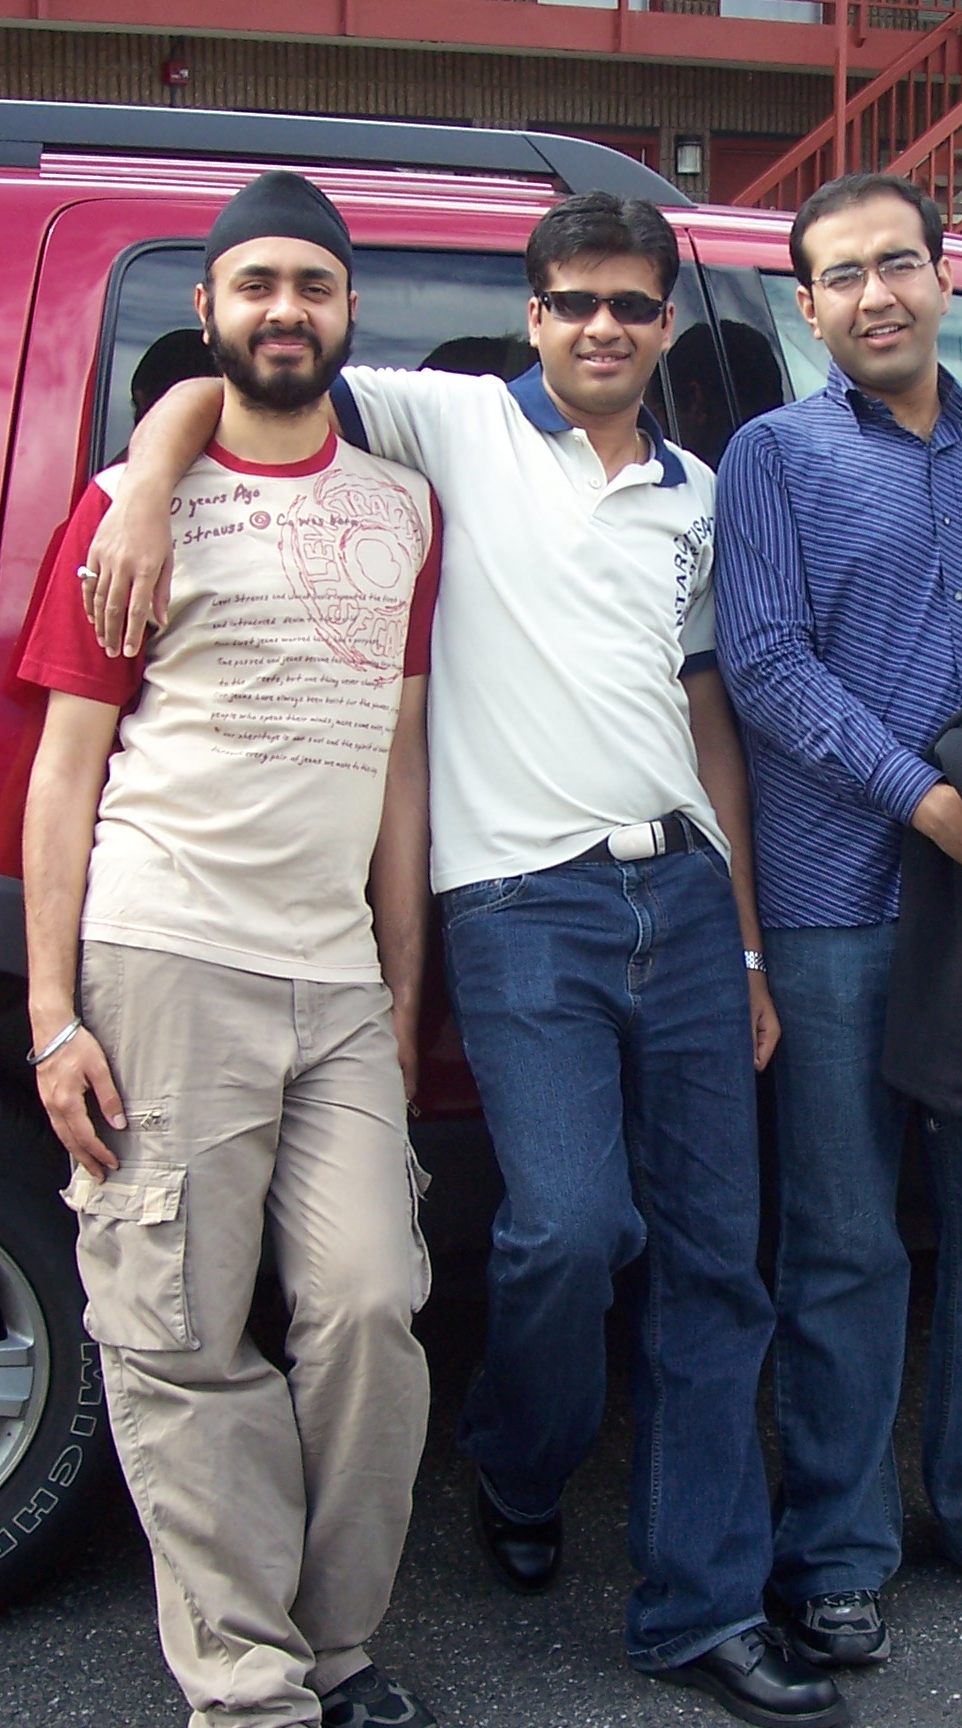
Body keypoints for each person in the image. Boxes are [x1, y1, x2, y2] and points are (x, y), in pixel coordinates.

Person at [81, 193, 846, 1728]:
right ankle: (517, 1454)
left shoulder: (696, 494)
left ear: (664, 325)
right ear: (536, 313)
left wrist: (752, 937)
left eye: (633, 305)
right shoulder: (450, 424)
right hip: (519, 902)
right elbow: (239, 369)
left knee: (717, 1265)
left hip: (686, 897)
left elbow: (707, 717)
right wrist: (149, 488)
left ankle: (700, 1608)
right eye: (576, 303)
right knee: (567, 1232)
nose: (605, 328)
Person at [19, 171, 441, 1728]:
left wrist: (403, 992)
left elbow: (400, 768)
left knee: (370, 1305)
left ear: (348, 310)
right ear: (207, 309)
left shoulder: (404, 509)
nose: (285, 310)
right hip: (166, 952)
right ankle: (250, 1687)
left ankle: (335, 1642)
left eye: (312, 286)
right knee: (180, 1334)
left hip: (337, 979)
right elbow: (66, 767)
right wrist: (54, 1013)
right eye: (256, 284)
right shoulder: (129, 506)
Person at [715, 173, 962, 1662]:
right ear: (807, 306)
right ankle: (837, 1547)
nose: (875, 295)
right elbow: (765, 662)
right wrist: (925, 798)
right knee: (842, 1242)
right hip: (840, 906)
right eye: (843, 275)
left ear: (945, 281)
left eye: (899, 264)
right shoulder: (772, 458)